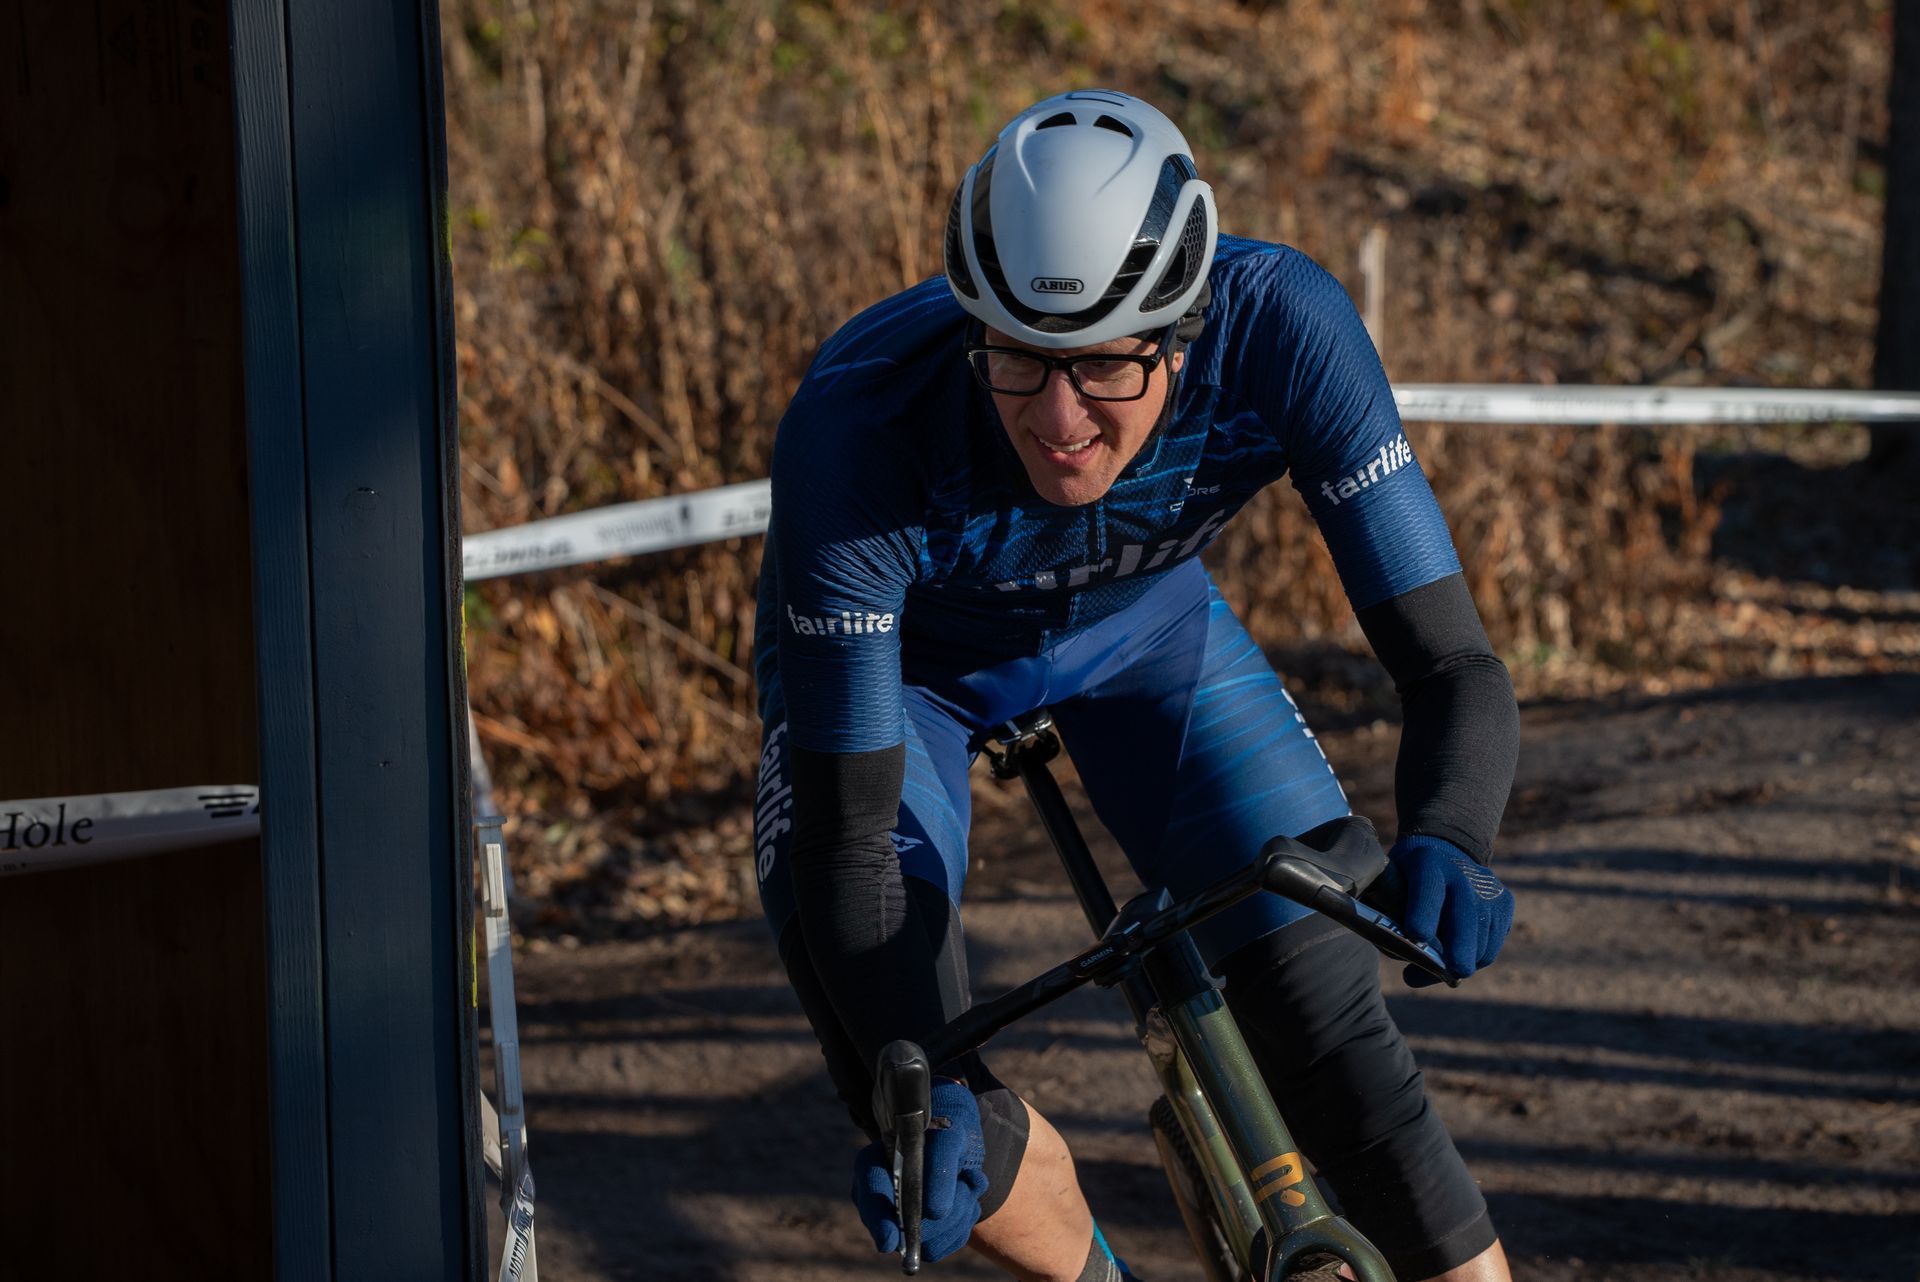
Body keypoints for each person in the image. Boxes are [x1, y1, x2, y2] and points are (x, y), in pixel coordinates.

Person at [751, 88, 1519, 1282]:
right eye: (1017, 359)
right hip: (906, 676)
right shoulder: (857, 430)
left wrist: (1457, 835)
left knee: (1330, 1029)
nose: (1060, 418)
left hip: (1145, 633)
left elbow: (1452, 663)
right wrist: (926, 1073)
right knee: (913, 1095)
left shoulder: (1282, 326)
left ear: (1185, 325)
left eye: (1108, 365)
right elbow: (851, 845)